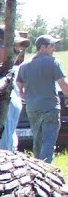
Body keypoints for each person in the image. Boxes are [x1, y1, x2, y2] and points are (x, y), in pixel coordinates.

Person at [16, 34, 68, 162]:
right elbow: (63, 85)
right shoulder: (52, 62)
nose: (54, 48)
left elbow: (19, 88)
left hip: (32, 109)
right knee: (48, 141)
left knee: (37, 141)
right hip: (50, 108)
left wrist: (28, 97)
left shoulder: (24, 65)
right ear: (42, 47)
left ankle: (37, 168)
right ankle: (46, 169)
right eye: (51, 45)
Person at [0, 26, 31, 151]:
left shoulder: (11, 79)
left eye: (17, 50)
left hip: (7, 155)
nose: (16, 53)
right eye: (12, 48)